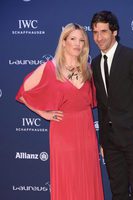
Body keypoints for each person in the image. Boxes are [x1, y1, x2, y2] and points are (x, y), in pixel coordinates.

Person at [16, 23, 104, 200]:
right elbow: (22, 93)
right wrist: (43, 113)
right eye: (72, 39)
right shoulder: (50, 67)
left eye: (81, 40)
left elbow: (101, 100)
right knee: (68, 178)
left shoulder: (89, 69)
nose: (77, 44)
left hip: (86, 130)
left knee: (87, 177)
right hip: (63, 132)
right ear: (63, 42)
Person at [90, 11, 133, 200]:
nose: (99, 37)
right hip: (110, 142)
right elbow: (103, 105)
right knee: (118, 193)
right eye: (95, 32)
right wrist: (103, 140)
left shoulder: (131, 56)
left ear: (114, 32)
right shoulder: (95, 63)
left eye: (103, 31)